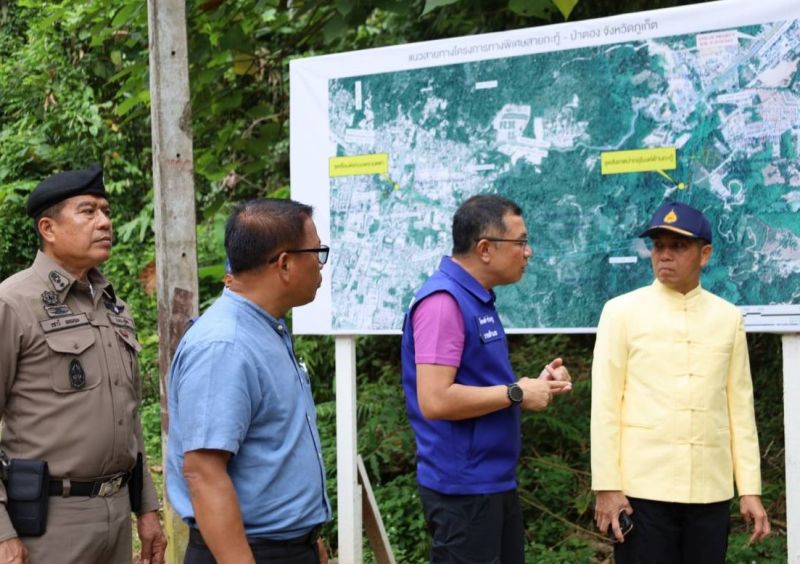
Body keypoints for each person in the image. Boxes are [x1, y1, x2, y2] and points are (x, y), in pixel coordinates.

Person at [0, 164, 166, 564]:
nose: (105, 222)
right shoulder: (14, 302)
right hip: (49, 522)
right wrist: (2, 532)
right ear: (48, 228)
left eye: (106, 211)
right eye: (88, 211)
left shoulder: (113, 307)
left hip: (115, 517)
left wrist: (146, 508)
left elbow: (129, 419)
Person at [591, 201, 770, 563]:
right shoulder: (621, 311)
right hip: (643, 489)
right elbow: (606, 405)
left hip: (710, 490)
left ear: (704, 255)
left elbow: (739, 407)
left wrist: (749, 489)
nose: (665, 256)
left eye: (678, 246)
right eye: (658, 246)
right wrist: (607, 486)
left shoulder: (727, 317)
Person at [400, 194, 572, 563]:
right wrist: (516, 393)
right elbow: (435, 399)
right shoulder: (443, 303)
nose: (528, 252)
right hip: (463, 489)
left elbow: (482, 384)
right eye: (521, 242)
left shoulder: (476, 299)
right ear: (485, 249)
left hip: (491, 483)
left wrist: (532, 385)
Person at [166, 198, 331, 564]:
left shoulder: (265, 329)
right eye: (316, 251)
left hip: (281, 548)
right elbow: (204, 473)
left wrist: (305, 540)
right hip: (245, 551)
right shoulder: (225, 345)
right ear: (285, 264)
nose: (320, 264)